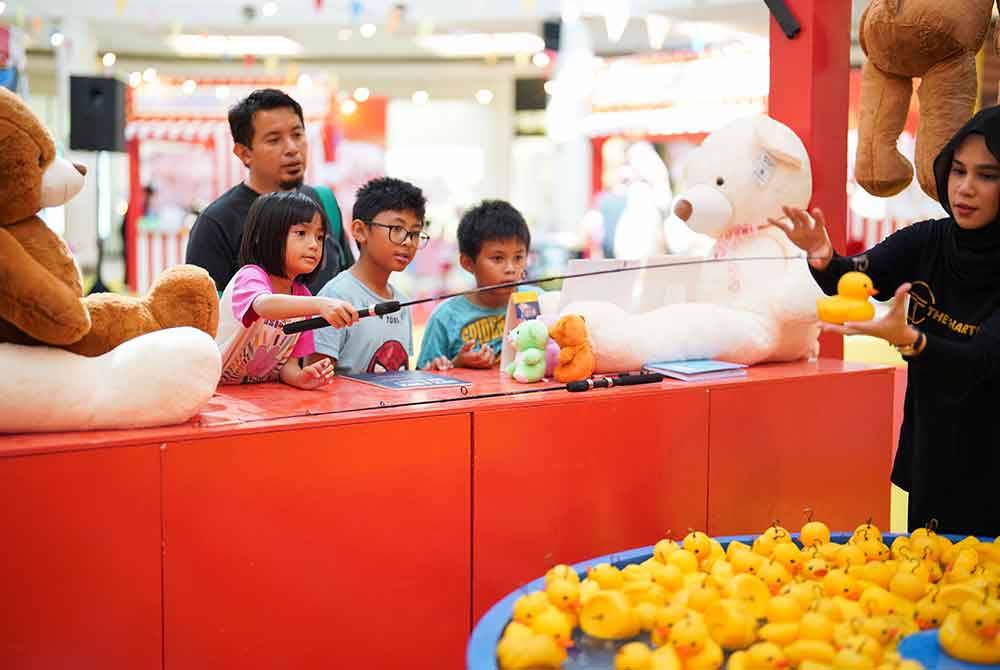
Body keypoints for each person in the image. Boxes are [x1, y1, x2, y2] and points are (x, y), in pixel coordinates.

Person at [769, 106, 1000, 537]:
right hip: (933, 450)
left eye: (987, 175)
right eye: (958, 170)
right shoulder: (928, 240)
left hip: (991, 459)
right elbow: (857, 276)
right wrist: (822, 255)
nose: (965, 187)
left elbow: (982, 360)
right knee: (925, 568)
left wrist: (913, 340)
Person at [185, 88, 353, 294]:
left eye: (297, 135)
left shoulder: (323, 201)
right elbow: (203, 306)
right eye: (274, 140)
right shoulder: (216, 222)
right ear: (244, 153)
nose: (292, 148)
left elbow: (348, 283)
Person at [216, 191, 358, 388]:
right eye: (301, 233)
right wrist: (320, 305)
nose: (314, 245)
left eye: (319, 237)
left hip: (257, 397)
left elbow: (286, 364)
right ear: (263, 236)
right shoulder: (250, 277)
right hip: (215, 391)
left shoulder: (303, 296)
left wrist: (301, 378)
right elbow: (264, 306)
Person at [311, 177, 428, 375]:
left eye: (415, 233)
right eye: (397, 229)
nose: (408, 242)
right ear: (360, 231)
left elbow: (401, 376)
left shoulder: (402, 303)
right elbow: (316, 379)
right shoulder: (335, 298)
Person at [417, 200, 534, 371]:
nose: (510, 269)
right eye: (498, 258)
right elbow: (422, 376)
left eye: (518, 257)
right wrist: (457, 363)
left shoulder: (536, 300)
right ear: (468, 263)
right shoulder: (444, 317)